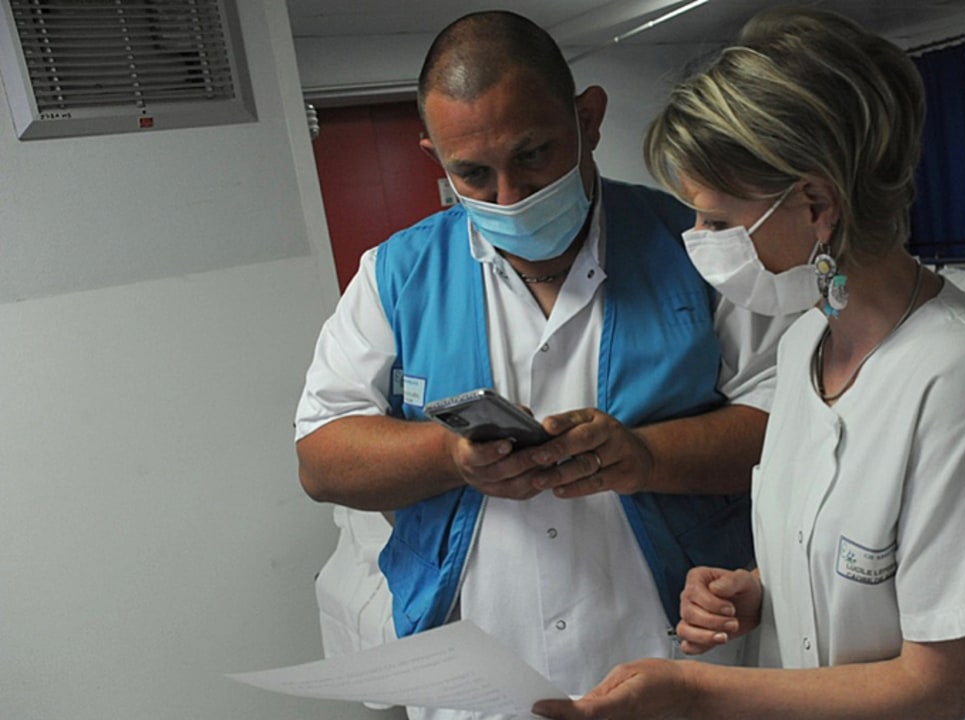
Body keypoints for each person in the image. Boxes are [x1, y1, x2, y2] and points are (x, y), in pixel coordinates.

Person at [533, 7, 965, 720]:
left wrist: (693, 690)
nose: (697, 239)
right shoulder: (803, 344)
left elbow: (937, 686)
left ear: (816, 204)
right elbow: (839, 555)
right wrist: (756, 589)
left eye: (716, 220)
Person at [293, 10, 791, 720]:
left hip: (674, 661)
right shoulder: (395, 276)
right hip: (479, 678)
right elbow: (321, 460)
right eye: (473, 173)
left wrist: (646, 456)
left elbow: (786, 429)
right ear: (434, 156)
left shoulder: (698, 247)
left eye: (533, 155)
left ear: (588, 119)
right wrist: (450, 457)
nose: (509, 197)